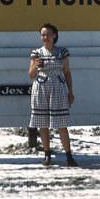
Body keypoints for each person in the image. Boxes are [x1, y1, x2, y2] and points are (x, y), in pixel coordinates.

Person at [28, 23, 77, 167]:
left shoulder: (62, 52)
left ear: (54, 35)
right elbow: (30, 75)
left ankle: (69, 155)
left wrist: (70, 92)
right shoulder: (36, 53)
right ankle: (47, 154)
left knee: (61, 123)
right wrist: (36, 66)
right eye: (43, 35)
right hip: (41, 87)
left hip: (58, 87)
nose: (45, 37)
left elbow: (67, 72)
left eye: (48, 34)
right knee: (42, 123)